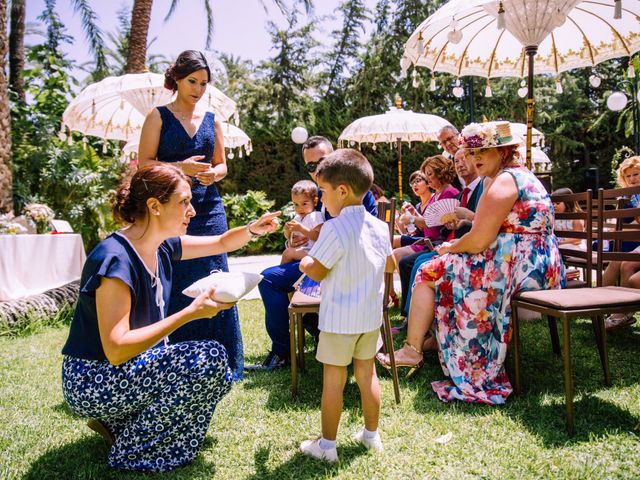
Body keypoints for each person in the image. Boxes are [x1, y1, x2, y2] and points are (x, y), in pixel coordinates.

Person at [61, 165, 280, 472]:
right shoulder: (115, 259)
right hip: (93, 380)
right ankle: (133, 451)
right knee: (211, 358)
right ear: (154, 206)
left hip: (126, 368)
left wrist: (254, 229)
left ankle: (123, 425)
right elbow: (116, 347)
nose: (191, 211)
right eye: (184, 202)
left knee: (219, 373)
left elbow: (220, 243)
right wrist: (189, 314)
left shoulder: (161, 246)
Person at [379, 122, 565, 404]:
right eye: (471, 151)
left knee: (430, 270)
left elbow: (478, 240)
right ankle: (427, 343)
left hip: (522, 268)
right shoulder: (519, 176)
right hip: (534, 264)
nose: (474, 158)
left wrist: (451, 247)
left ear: (503, 151)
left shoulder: (505, 180)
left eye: (483, 151)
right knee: (438, 265)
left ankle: (413, 349)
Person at [138, 50, 245, 380]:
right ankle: (176, 356)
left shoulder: (213, 120)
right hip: (170, 212)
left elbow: (223, 164)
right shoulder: (158, 117)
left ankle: (226, 361)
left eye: (204, 83)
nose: (198, 89)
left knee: (217, 277)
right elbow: (144, 165)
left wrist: (216, 174)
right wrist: (180, 168)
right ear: (177, 80)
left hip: (209, 207)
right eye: (192, 82)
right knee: (176, 281)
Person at [249, 136, 378, 371]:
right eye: (311, 166)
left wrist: (302, 252)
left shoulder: (354, 191)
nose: (318, 169)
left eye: (323, 161)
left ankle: (284, 351)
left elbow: (362, 237)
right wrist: (296, 239)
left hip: (338, 267)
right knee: (269, 277)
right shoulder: (315, 195)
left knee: (269, 279)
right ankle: (310, 335)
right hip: (318, 262)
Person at [297, 149, 393, 463]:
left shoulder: (334, 228)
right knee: (368, 375)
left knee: (333, 381)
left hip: (339, 319)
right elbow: (388, 263)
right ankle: (371, 436)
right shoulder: (380, 227)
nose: (321, 199)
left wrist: (307, 263)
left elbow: (319, 269)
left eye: (322, 192)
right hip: (368, 318)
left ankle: (326, 446)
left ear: (341, 190)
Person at [397, 149, 484, 336]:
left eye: (464, 159)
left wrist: (461, 222)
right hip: (447, 241)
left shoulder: (465, 191)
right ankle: (413, 318)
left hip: (456, 245)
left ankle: (417, 321)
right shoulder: (461, 194)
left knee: (415, 262)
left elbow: (435, 226)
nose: (460, 164)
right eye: (457, 160)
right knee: (409, 261)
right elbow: (442, 225)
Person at [392, 155, 458, 266]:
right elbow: (428, 221)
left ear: (440, 172)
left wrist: (412, 218)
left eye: (430, 174)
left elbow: (432, 222)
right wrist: (414, 213)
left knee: (400, 257)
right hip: (428, 241)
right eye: (426, 175)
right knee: (397, 255)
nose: (427, 179)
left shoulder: (449, 192)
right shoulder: (436, 194)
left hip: (437, 243)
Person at [602, 156, 640, 330]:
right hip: (627, 238)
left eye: (636, 174)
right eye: (629, 176)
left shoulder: (635, 197)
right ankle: (602, 305)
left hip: (633, 238)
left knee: (620, 260)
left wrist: (618, 231)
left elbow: (635, 223)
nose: (633, 179)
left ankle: (618, 311)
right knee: (615, 260)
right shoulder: (627, 196)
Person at [281, 180, 324, 264]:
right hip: (300, 251)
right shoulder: (297, 217)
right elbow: (288, 237)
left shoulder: (315, 216)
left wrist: (301, 229)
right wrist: (287, 231)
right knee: (288, 251)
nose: (300, 208)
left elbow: (320, 237)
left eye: (304, 204)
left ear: (315, 202)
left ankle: (281, 274)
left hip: (312, 253)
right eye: (296, 204)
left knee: (288, 253)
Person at [393, 170, 430, 248]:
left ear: (428, 183)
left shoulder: (434, 200)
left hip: (430, 240)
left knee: (392, 240)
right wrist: (397, 220)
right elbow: (413, 233)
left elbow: (430, 225)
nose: (414, 185)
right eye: (412, 183)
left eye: (418, 181)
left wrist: (412, 217)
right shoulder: (417, 206)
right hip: (418, 240)